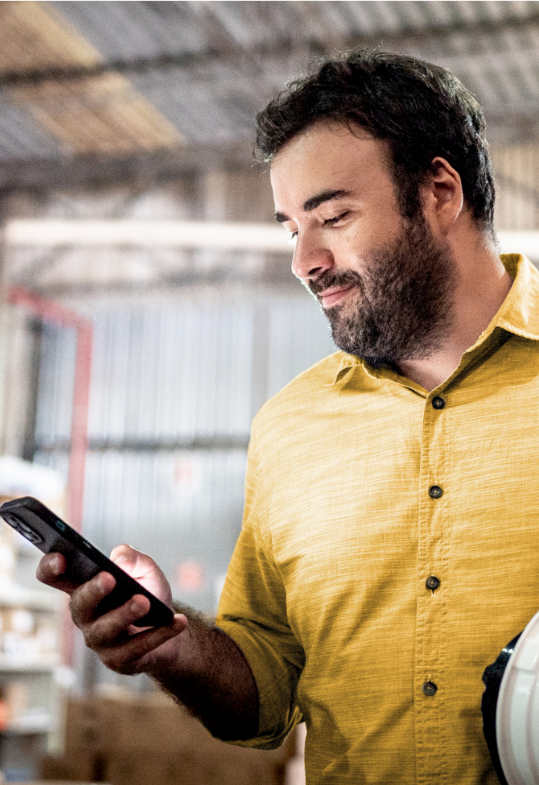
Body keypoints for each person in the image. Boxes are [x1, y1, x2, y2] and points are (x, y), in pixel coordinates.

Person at [37, 49, 539, 784]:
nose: (305, 259)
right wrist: (171, 644)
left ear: (437, 191)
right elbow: (265, 689)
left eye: (333, 216)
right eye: (288, 228)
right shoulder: (290, 427)